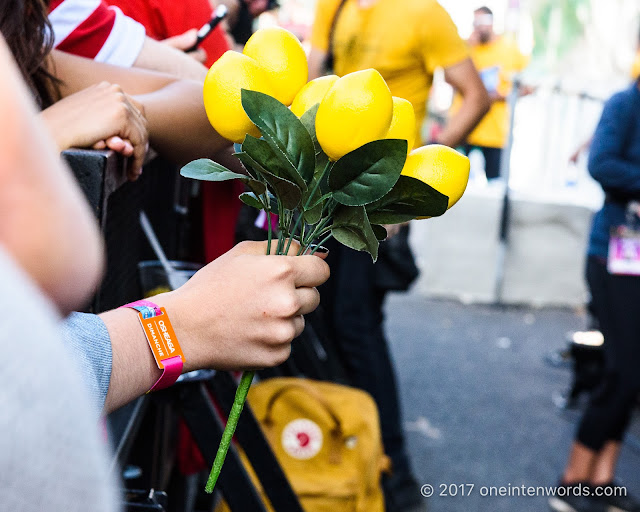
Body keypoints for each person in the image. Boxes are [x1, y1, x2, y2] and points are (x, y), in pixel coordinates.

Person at [308, 2, 489, 511]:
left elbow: (475, 95)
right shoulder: (333, 5)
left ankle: (395, 473)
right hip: (326, 191)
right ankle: (342, 455)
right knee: (321, 327)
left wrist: (424, 163)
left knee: (356, 327)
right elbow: (315, 77)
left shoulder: (423, 12)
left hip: (380, 202)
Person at [550, 78, 640, 512]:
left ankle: (602, 479)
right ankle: (572, 478)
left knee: (635, 374)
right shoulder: (625, 103)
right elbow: (602, 164)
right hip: (615, 256)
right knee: (623, 371)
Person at [460, 6, 529, 180]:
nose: (479, 27)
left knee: (495, 183)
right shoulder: (466, 48)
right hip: (466, 127)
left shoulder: (508, 49)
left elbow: (526, 87)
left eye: (483, 22)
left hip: (495, 133)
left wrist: (501, 95)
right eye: (475, 22)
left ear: (492, 23)